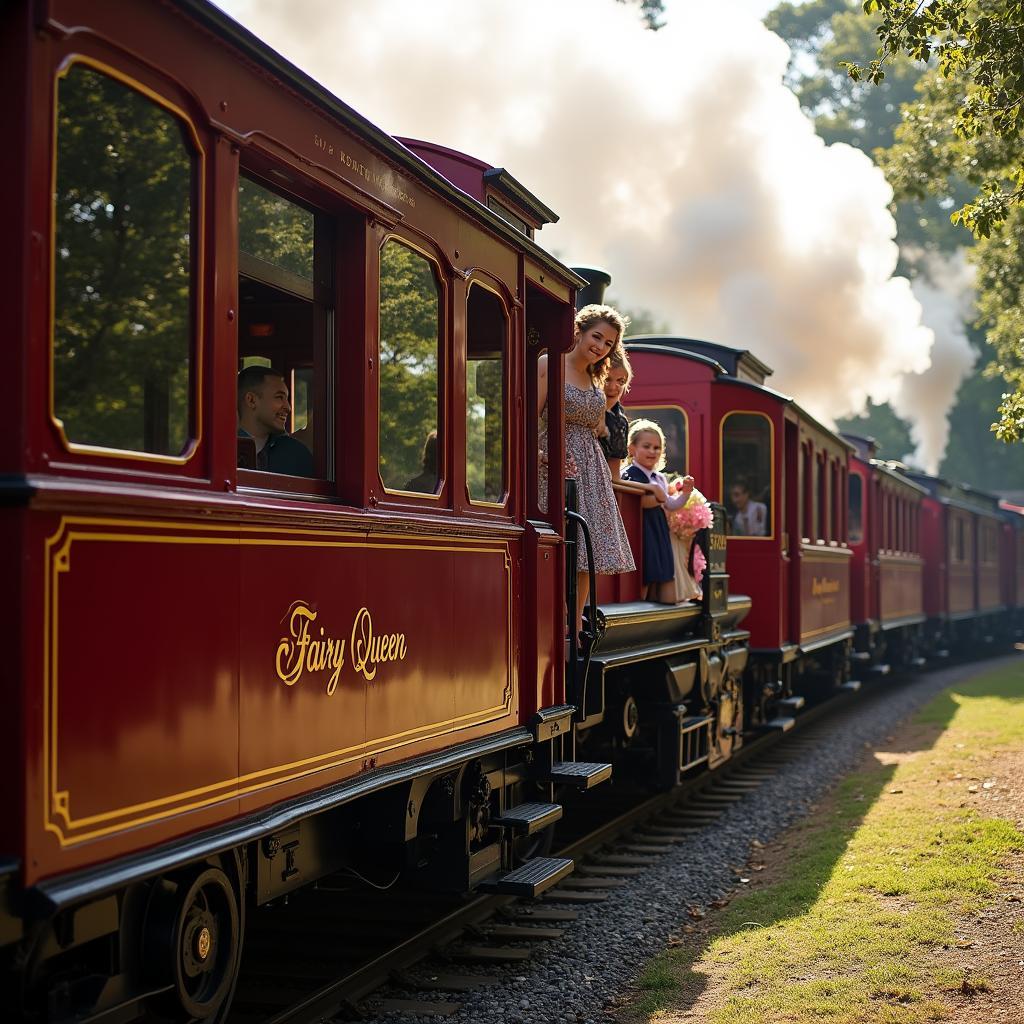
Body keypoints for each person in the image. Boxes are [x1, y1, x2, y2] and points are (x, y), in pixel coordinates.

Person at [538, 304, 635, 637]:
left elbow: (595, 426)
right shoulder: (549, 364)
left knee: (586, 545)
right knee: (559, 540)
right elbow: (527, 419)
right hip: (553, 459)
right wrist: (540, 454)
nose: (600, 346)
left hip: (589, 466)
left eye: (608, 343)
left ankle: (574, 620)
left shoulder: (597, 378)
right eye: (597, 337)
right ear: (579, 331)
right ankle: (553, 611)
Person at [621, 419, 695, 603]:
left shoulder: (659, 477)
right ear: (632, 449)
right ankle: (640, 604)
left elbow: (670, 504)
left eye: (657, 447)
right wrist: (657, 496)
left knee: (660, 571)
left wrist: (685, 494)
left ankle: (656, 603)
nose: (652, 451)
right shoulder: (629, 474)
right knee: (646, 569)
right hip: (642, 530)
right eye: (647, 446)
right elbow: (636, 503)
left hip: (659, 529)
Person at [237, 366, 314, 477]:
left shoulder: (297, 454)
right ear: (251, 400)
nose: (288, 408)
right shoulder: (221, 449)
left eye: (286, 399)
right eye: (279, 397)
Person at [599, 350, 632, 478]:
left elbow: (614, 477)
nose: (613, 387)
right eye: (607, 379)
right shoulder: (581, 411)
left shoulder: (620, 423)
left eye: (621, 381)